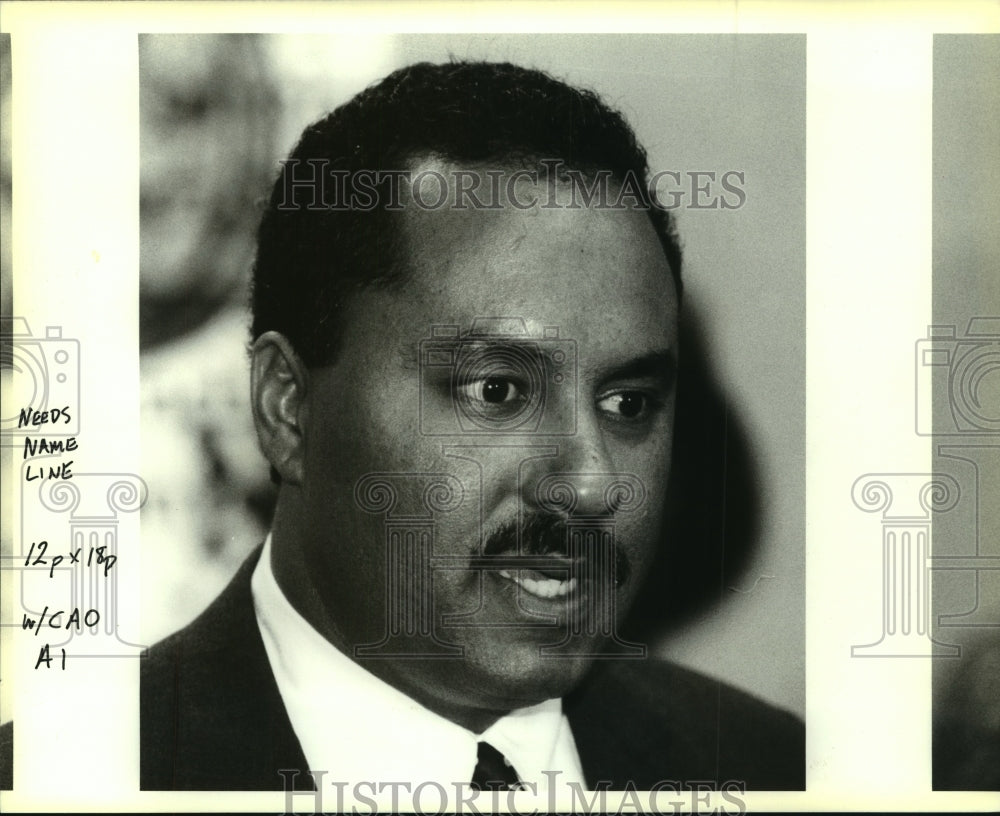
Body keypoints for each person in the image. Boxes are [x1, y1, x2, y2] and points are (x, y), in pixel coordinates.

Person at [140, 60, 804, 796]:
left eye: (627, 405)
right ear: (287, 408)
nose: (590, 482)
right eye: (498, 391)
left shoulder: (773, 770)